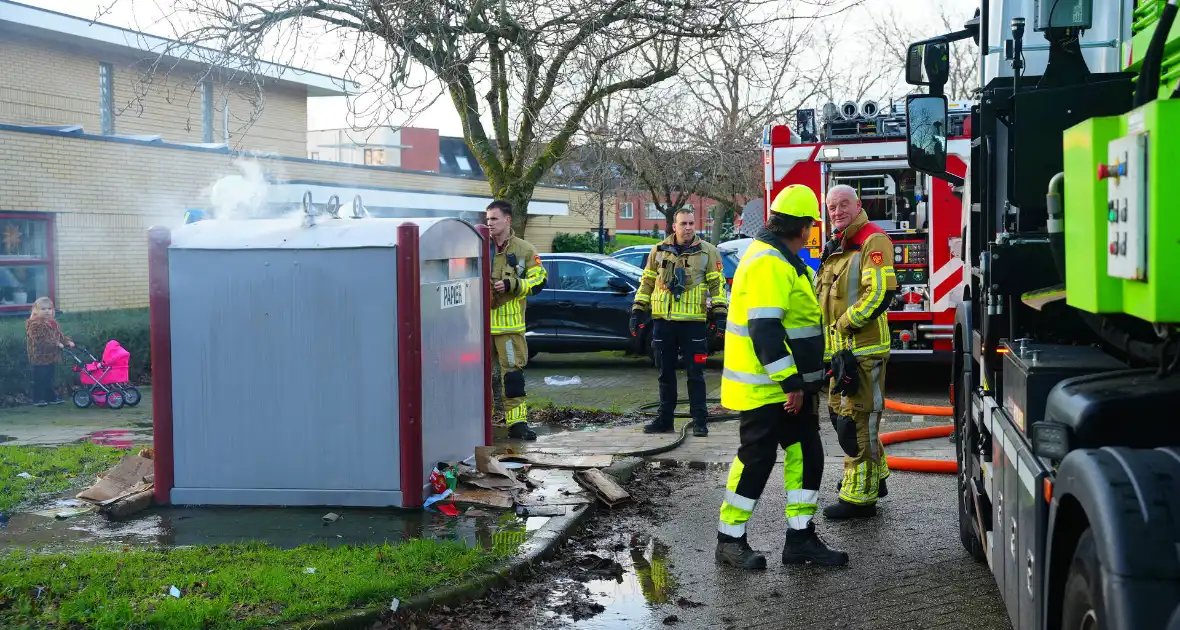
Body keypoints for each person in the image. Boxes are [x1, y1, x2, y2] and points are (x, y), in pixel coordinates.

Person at [715, 185, 847, 569]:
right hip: (768, 389)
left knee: (807, 454)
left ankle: (800, 538)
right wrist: (790, 383)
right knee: (755, 461)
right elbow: (766, 332)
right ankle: (729, 540)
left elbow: (798, 325)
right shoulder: (770, 262)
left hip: (789, 388)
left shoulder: (784, 259)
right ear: (804, 227)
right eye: (811, 226)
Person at [815, 184, 899, 519]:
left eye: (843, 205)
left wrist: (845, 325)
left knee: (857, 424)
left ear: (858, 204)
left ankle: (859, 500)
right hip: (841, 354)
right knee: (840, 418)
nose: (837, 211)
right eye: (832, 206)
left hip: (864, 350)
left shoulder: (872, 240)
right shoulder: (838, 245)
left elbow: (879, 293)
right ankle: (873, 477)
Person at [630, 208, 728, 437]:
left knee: (696, 374)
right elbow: (646, 283)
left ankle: (700, 421)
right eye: (683, 223)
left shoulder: (708, 252)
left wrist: (721, 316)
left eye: (692, 223)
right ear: (674, 226)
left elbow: (718, 286)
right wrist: (637, 311)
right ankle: (665, 420)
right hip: (664, 322)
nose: (688, 228)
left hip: (694, 324)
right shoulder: (658, 251)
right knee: (665, 373)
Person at [486, 200, 548, 440]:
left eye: (494, 219)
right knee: (474, 378)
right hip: (478, 329)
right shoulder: (477, 246)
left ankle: (517, 424)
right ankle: (478, 423)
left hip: (509, 329)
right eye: (487, 219)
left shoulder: (524, 250)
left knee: (512, 378)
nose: (488, 223)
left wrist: (514, 284)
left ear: (508, 220)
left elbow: (540, 280)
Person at [25, 297, 74, 406]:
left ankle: (50, 397)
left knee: (49, 378)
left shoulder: (53, 323)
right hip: (40, 357)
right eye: (43, 309)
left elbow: (59, 336)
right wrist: (56, 344)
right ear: (36, 311)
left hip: (52, 356)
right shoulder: (35, 325)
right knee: (40, 378)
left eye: (49, 308)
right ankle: (38, 398)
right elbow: (40, 341)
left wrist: (67, 342)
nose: (47, 311)